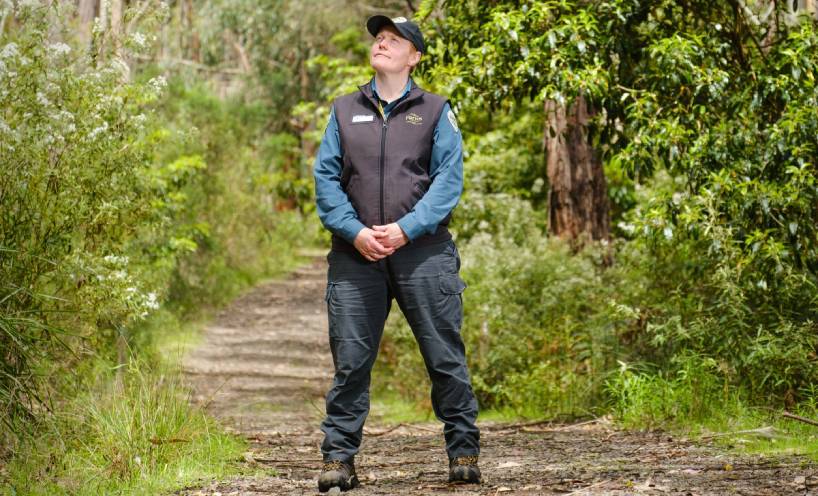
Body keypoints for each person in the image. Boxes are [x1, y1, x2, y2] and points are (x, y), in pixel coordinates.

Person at [312, 14, 481, 493]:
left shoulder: (435, 110)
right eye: (379, 38)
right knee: (350, 361)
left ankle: (463, 450)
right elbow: (326, 180)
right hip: (354, 256)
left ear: (415, 57)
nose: (382, 43)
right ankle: (339, 459)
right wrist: (355, 232)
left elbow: (449, 180)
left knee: (444, 356)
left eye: (394, 40)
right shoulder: (345, 110)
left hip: (424, 254)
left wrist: (407, 229)